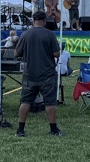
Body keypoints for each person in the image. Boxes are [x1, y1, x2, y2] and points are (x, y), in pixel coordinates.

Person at [14, 10, 63, 138]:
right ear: (45, 21)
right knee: (49, 103)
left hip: (30, 74)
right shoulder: (49, 34)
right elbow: (57, 54)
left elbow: (16, 53)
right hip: (47, 74)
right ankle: (53, 130)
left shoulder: (25, 34)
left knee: (25, 101)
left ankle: (20, 130)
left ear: (33, 20)